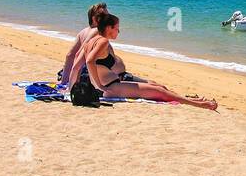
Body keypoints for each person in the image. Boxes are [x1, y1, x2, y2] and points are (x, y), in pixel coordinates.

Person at [73, 11, 216, 110]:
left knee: (159, 89)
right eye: (117, 28)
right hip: (110, 87)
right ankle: (200, 105)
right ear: (109, 28)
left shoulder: (90, 42)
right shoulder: (103, 41)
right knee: (160, 92)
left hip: (110, 85)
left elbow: (81, 64)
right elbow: (90, 61)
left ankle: (194, 101)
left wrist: (91, 83)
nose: (118, 31)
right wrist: (98, 85)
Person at [59, 1, 109, 88]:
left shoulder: (83, 31)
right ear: (94, 18)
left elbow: (70, 55)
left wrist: (64, 81)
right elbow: (78, 57)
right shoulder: (98, 31)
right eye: (105, 16)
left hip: (79, 73)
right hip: (89, 73)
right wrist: (73, 84)